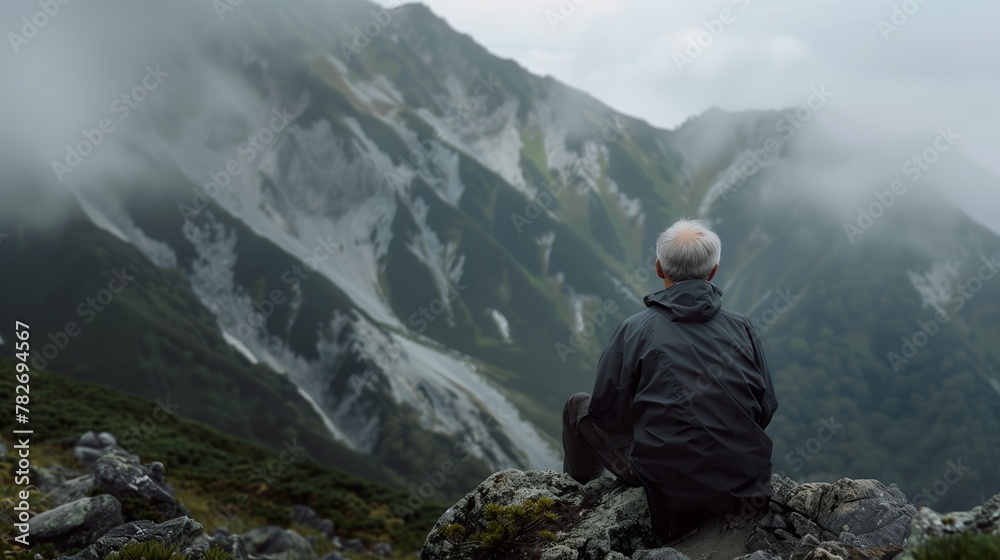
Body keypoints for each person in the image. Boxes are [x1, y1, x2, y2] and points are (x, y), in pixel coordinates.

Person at [562, 218, 778, 543]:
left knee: (577, 407)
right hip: (745, 479)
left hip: (671, 487)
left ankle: (575, 500)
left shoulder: (635, 329)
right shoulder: (742, 327)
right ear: (714, 271)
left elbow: (607, 415)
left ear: (659, 267)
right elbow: (765, 408)